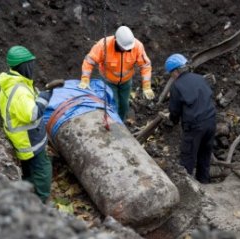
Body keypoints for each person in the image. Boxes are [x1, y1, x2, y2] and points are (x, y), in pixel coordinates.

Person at [0, 45, 53, 203]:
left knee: (30, 170)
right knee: (43, 169)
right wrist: (44, 98)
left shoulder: (12, 83)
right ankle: (42, 201)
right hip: (29, 140)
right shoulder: (19, 91)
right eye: (30, 64)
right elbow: (32, 114)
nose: (32, 67)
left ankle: (29, 194)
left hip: (21, 138)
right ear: (23, 66)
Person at [79, 25, 155, 121]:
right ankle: (113, 124)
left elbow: (145, 65)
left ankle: (121, 123)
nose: (125, 50)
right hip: (108, 81)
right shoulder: (103, 45)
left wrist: (146, 86)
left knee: (124, 105)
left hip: (126, 82)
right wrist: (85, 78)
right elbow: (89, 61)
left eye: (127, 49)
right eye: (123, 47)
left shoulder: (137, 46)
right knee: (113, 104)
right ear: (116, 40)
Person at [164, 53, 216, 184]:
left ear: (175, 71)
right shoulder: (200, 78)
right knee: (204, 154)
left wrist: (173, 120)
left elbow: (174, 110)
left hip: (195, 126)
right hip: (211, 121)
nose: (172, 76)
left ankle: (187, 187)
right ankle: (204, 182)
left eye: (171, 73)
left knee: (188, 156)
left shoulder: (177, 86)